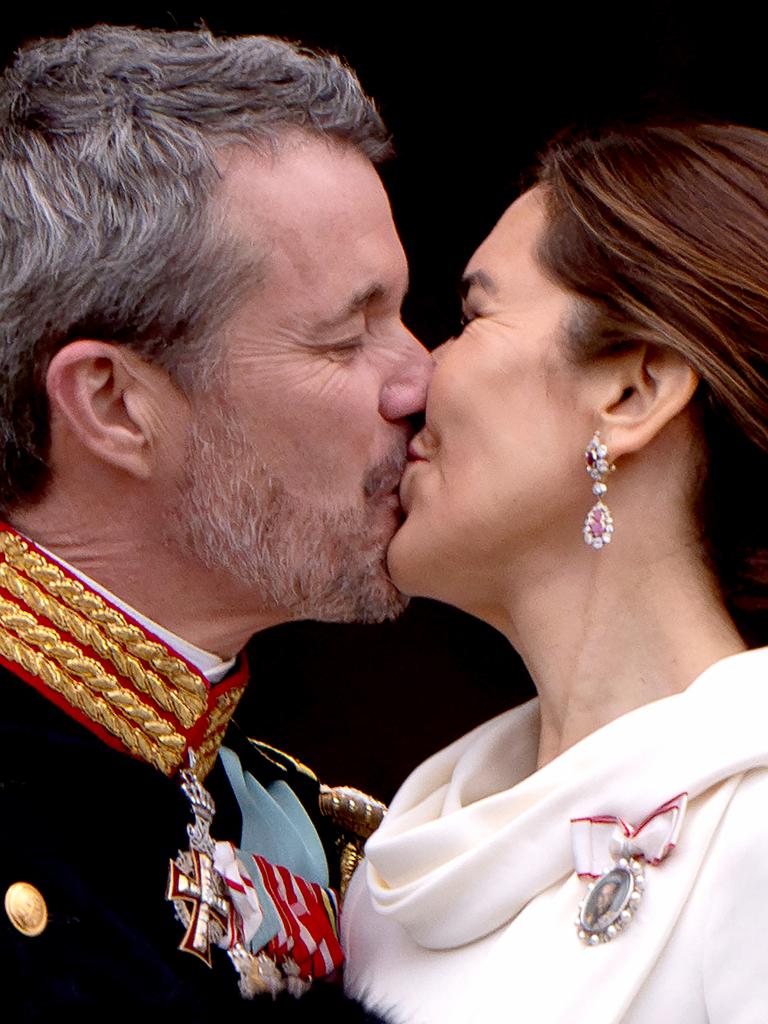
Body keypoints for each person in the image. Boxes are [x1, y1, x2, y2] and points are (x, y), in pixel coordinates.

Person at [0, 24, 432, 1019]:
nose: (423, 381)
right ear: (113, 403)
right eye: (346, 335)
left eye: (403, 316)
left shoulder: (297, 827)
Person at [343, 121, 768, 1023]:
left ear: (630, 394)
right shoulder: (393, 873)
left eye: (469, 318)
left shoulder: (754, 829)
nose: (413, 380)